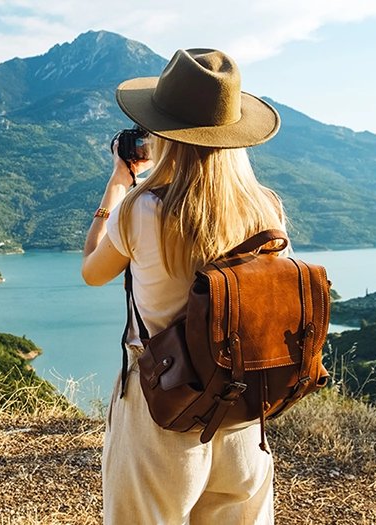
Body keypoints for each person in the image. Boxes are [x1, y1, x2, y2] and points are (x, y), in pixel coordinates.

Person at [81, 49, 286, 525]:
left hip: (162, 409)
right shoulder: (266, 209)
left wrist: (118, 185)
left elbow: (92, 270)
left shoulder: (142, 209)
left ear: (163, 133)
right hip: (240, 411)